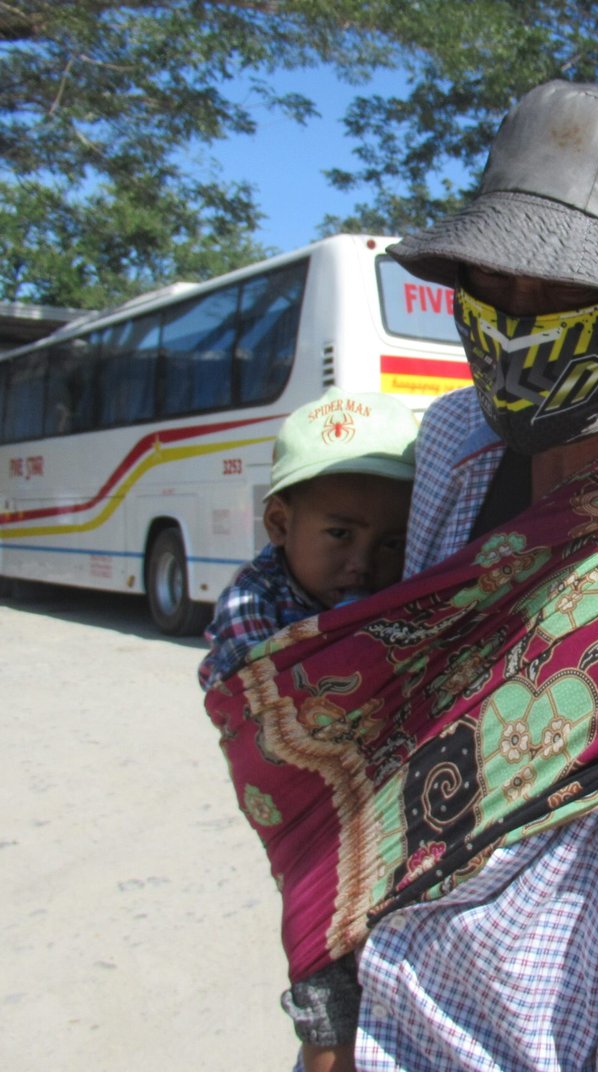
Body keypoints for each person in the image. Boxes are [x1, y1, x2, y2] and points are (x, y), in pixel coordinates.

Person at [205, 79, 598, 1072]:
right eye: (492, 285)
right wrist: (329, 1013)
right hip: (383, 1028)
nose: (515, 320)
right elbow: (380, 744)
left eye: (563, 293)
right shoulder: (456, 444)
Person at [200, 388, 419, 1072]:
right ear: (278, 524)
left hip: (383, 837)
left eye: (389, 543)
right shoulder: (252, 603)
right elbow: (253, 708)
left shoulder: (400, 595)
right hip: (314, 844)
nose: (363, 562)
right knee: (328, 1011)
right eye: (339, 534)